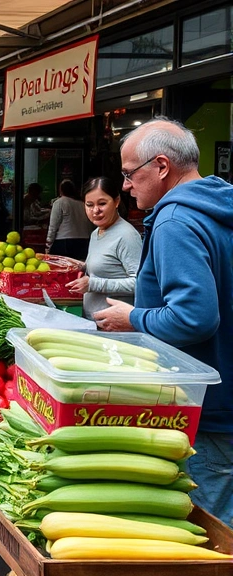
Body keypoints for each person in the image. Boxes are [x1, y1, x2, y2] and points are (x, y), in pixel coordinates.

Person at [93, 118, 233, 523]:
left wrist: (132, 316)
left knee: (215, 532)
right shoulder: (218, 206)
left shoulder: (176, 222)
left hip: (211, 409)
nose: (124, 186)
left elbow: (195, 317)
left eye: (128, 174)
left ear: (161, 166)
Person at [64, 178, 142, 320]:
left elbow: (139, 283)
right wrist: (78, 265)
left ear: (116, 201)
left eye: (102, 204)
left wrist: (93, 284)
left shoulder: (127, 235)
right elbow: (104, 268)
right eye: (89, 205)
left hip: (115, 326)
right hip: (93, 322)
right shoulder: (96, 233)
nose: (96, 210)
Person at [46, 179, 95, 260]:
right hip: (84, 241)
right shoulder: (82, 204)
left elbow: (53, 226)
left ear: (61, 190)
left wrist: (48, 245)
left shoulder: (60, 202)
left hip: (64, 242)